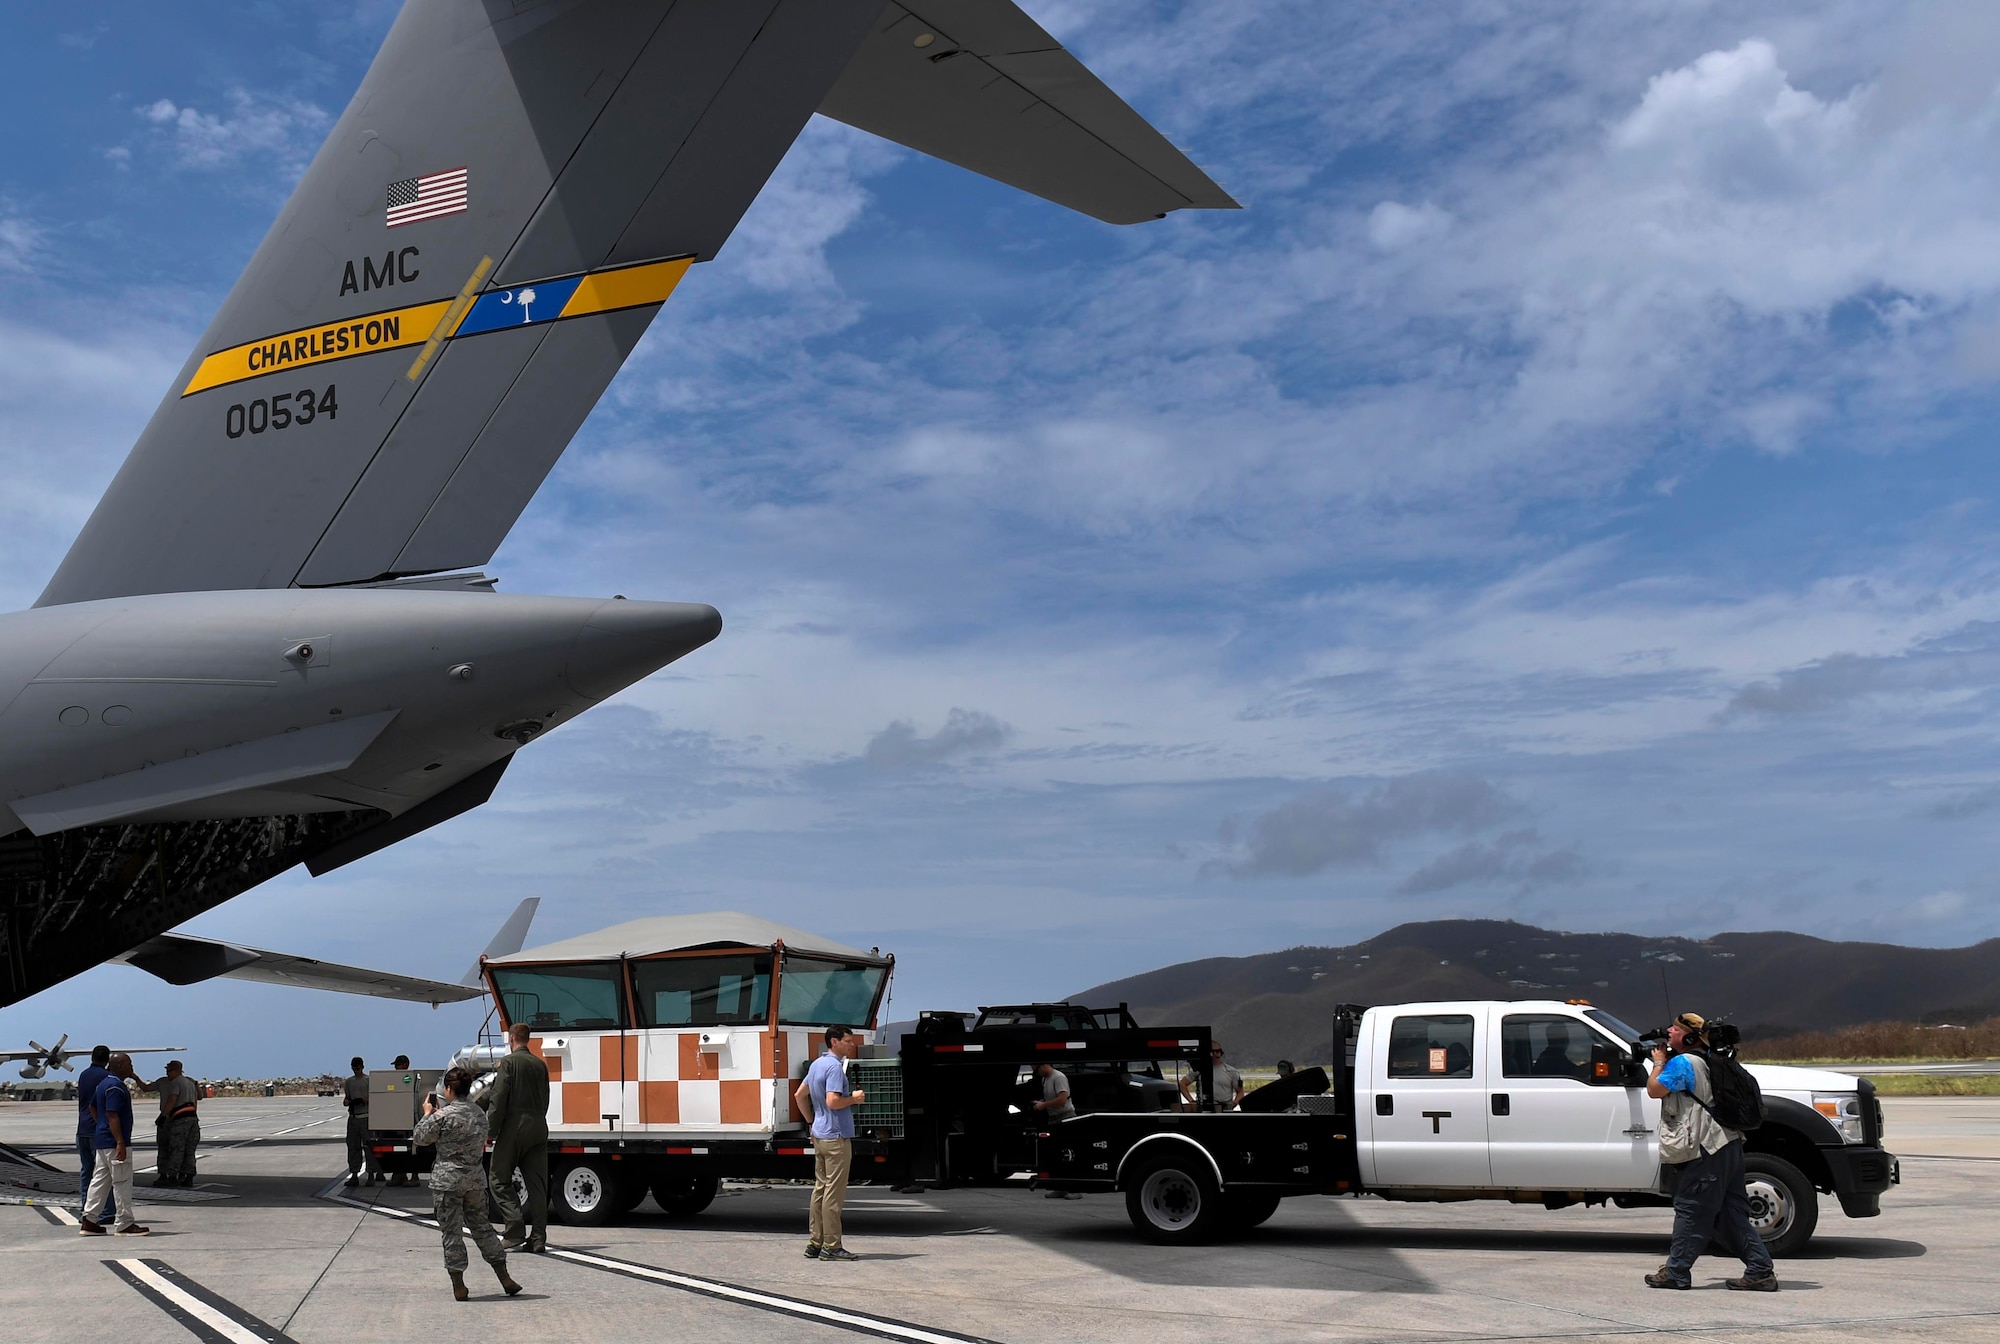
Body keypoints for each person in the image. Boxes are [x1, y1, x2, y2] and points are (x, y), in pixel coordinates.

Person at [1644, 1012, 1777, 1292]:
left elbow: (1655, 1090)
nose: (1669, 1031)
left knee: (1691, 1210)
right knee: (1730, 1214)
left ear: (1690, 1037)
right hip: (1727, 1144)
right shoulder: (1710, 1061)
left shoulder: (1684, 1062)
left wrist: (1658, 1062)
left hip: (1706, 1149)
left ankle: (1676, 1271)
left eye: (1675, 1029)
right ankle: (1760, 1270)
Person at [413, 1067, 523, 1302]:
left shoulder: (443, 1116)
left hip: (448, 1182)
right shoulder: (479, 1115)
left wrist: (427, 1113)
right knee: (483, 1228)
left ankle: (459, 1285)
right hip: (474, 1181)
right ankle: (504, 1277)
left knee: (452, 1233)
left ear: (449, 1089)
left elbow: (420, 1137)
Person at [794, 1025, 864, 1262]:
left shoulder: (816, 1065)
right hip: (836, 1136)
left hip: (820, 1133)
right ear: (834, 1041)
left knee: (820, 1190)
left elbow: (799, 1095)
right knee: (834, 1193)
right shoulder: (834, 1067)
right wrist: (854, 1099)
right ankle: (832, 1246)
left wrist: (811, 1122)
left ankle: (815, 1242)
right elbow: (833, 1101)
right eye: (847, 1040)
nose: (851, 1044)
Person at [479, 1022, 550, 1254]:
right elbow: (546, 1099)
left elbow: (498, 1099)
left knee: (498, 1179)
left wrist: (490, 1132)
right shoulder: (540, 1065)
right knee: (538, 1185)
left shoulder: (509, 1063)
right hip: (539, 1125)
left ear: (511, 1039)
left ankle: (514, 1229)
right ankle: (538, 1237)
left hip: (514, 1126)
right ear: (527, 1039)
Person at [79, 1053, 148, 1236]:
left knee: (99, 1181)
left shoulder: (103, 1084)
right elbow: (112, 1114)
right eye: (128, 1063)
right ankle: (124, 1223)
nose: (131, 1066)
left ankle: (89, 1220)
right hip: (114, 1142)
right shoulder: (116, 1086)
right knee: (122, 1181)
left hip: (102, 1141)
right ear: (118, 1065)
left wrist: (101, 1125)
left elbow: (93, 1107)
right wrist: (120, 1142)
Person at [74, 1045, 117, 1225]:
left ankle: (87, 1209)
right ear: (107, 1060)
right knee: (104, 1173)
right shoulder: (107, 1078)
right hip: (96, 1131)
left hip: (81, 1130)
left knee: (86, 1172)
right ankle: (105, 1212)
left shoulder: (83, 1075)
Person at [142, 1059, 201, 1187]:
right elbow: (198, 1097)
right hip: (193, 1118)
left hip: (179, 1119)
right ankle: (188, 1175)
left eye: (169, 1070)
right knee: (189, 1150)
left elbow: (171, 1100)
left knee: (176, 1149)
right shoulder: (190, 1083)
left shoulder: (176, 1083)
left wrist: (163, 1116)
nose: (168, 1073)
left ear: (177, 1070)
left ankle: (171, 1176)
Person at [1031, 1062, 1080, 1198]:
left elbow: (1062, 1099)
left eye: (1036, 1069)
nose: (1036, 1072)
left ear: (1043, 1065)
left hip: (1065, 1117)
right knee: (1057, 1154)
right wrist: (1041, 1102)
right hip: (1053, 1118)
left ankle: (1075, 1189)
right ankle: (1060, 1187)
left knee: (1069, 1153)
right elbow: (1052, 1099)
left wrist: (1044, 1105)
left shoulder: (1059, 1077)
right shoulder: (1045, 1079)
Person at [343, 1056, 377, 1187]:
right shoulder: (349, 1082)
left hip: (366, 1117)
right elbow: (346, 1098)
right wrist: (348, 1102)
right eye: (354, 1068)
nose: (356, 1070)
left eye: (358, 1068)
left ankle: (371, 1175)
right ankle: (354, 1174)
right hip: (353, 1118)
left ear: (362, 1067)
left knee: (369, 1148)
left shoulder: (368, 1080)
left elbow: (373, 1097)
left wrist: (363, 1100)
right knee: (353, 1147)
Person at [1181, 1043, 1245, 1111]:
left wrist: (1233, 1104)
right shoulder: (1199, 1070)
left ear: (1221, 1053)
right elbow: (1182, 1084)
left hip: (1224, 1109)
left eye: (1218, 1051)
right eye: (1212, 1051)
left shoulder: (1231, 1071)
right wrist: (1192, 1101)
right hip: (1204, 1109)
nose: (1215, 1054)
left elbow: (1240, 1092)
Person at [385, 1055, 417, 1186]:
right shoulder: (394, 1080)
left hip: (409, 1119)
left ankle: (414, 1177)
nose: (396, 1068)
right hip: (396, 1119)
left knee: (413, 1150)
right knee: (397, 1150)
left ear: (406, 1065)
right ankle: (399, 1175)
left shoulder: (409, 1078)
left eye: (398, 1065)